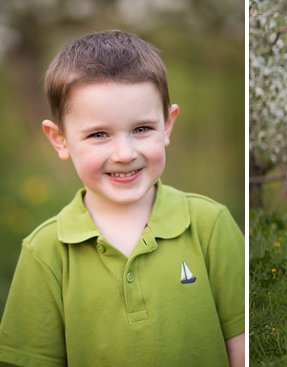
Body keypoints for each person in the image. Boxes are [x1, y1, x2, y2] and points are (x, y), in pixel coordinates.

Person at [0, 30, 244, 366]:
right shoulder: (45, 252)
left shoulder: (209, 224)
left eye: (142, 129)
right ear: (60, 140)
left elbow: (242, 342)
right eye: (99, 134)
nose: (125, 153)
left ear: (168, 124)